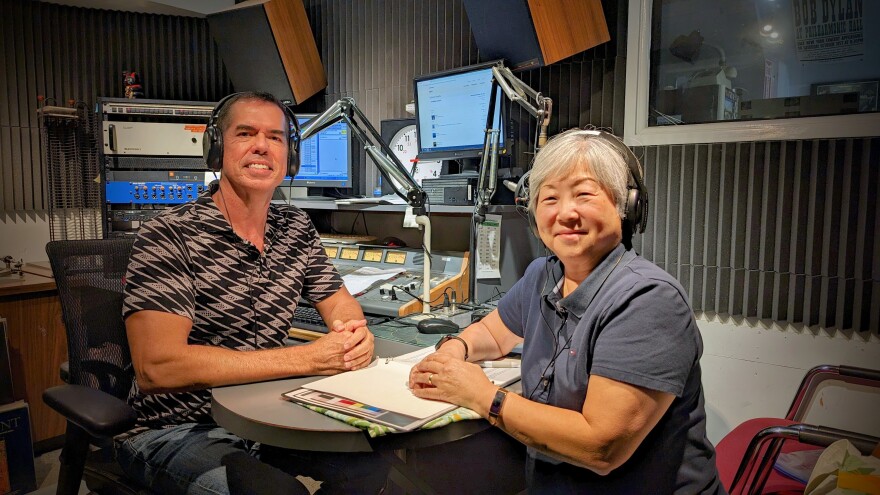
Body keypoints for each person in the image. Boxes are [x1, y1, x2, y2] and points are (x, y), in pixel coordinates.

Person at [409, 129, 725, 493]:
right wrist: (453, 351)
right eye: (550, 198)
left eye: (583, 195)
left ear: (627, 206)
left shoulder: (649, 300)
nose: (565, 213)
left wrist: (481, 395)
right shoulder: (543, 275)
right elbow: (494, 334)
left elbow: (601, 446)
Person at [118, 92, 386, 494]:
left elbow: (340, 304)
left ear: (289, 158)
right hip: (175, 428)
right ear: (217, 148)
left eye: (276, 137)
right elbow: (158, 366)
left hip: (267, 417)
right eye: (246, 133)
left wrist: (352, 337)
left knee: (376, 466)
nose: (262, 145)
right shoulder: (169, 234)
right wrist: (308, 358)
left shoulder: (295, 228)